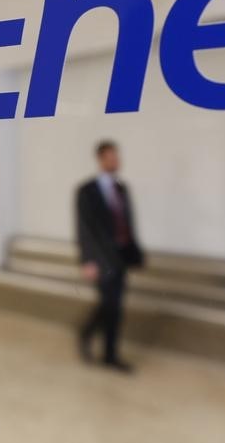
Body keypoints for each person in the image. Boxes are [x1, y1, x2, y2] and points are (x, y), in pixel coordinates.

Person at [76, 140, 145, 373]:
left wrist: (135, 251)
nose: (115, 161)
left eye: (117, 156)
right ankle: (103, 348)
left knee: (114, 306)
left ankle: (103, 348)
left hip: (121, 257)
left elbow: (127, 223)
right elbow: (83, 229)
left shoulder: (122, 188)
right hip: (101, 259)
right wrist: (87, 260)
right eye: (110, 156)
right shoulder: (86, 191)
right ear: (100, 159)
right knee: (111, 305)